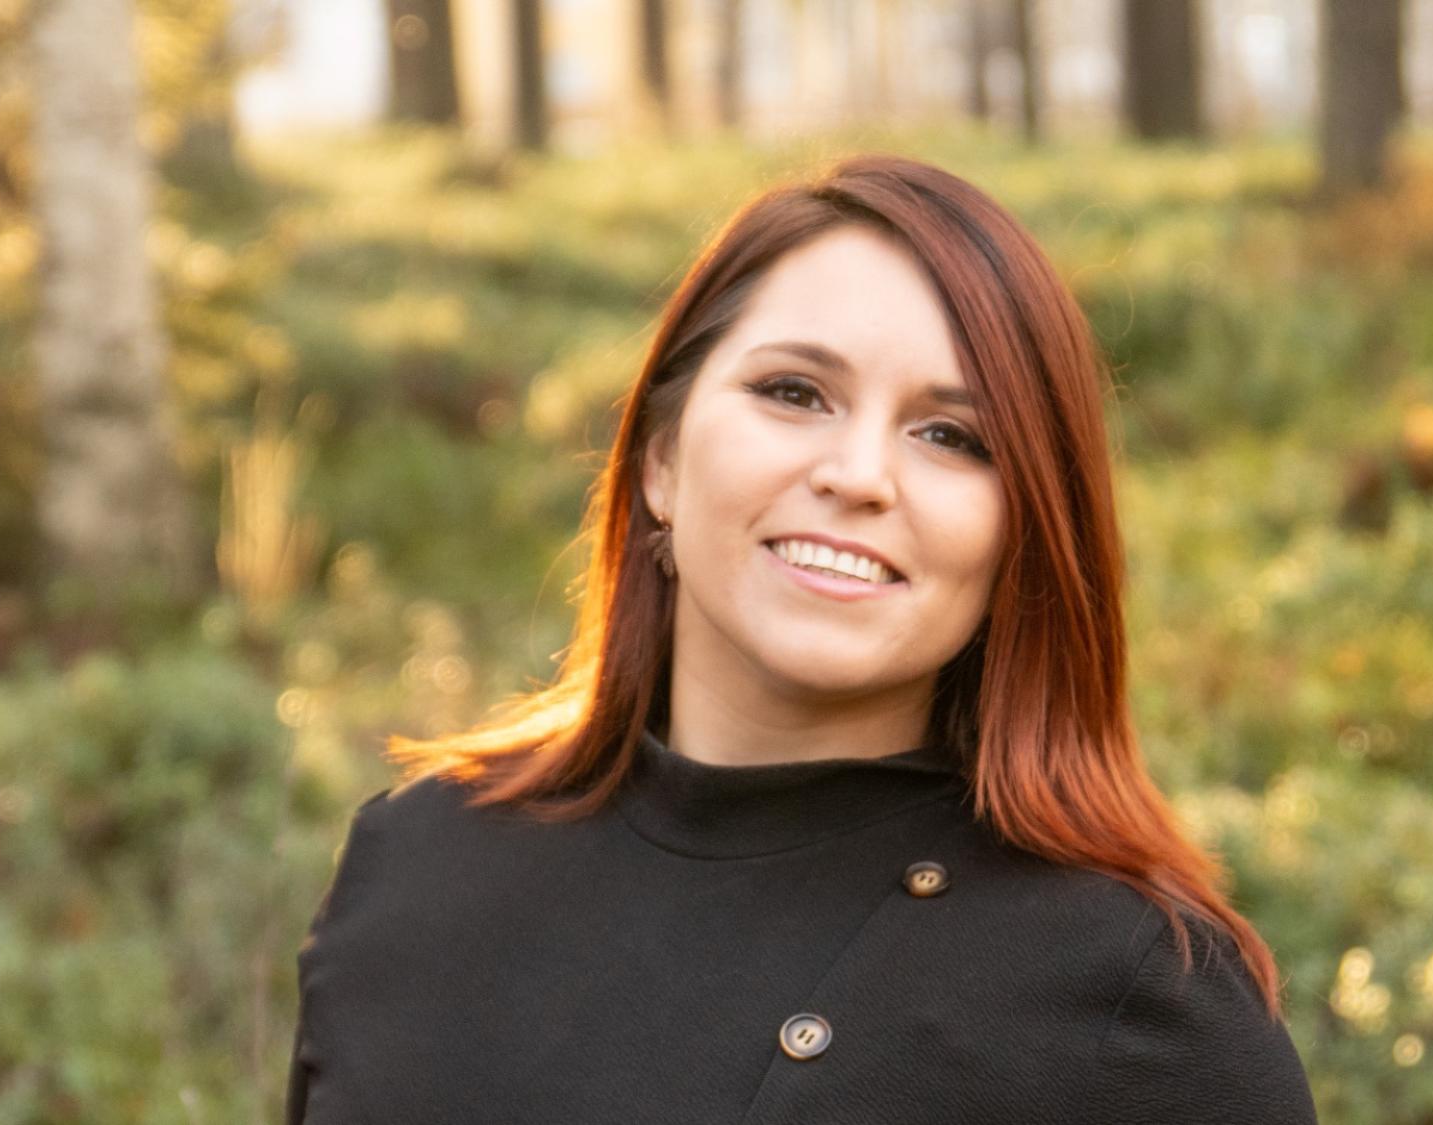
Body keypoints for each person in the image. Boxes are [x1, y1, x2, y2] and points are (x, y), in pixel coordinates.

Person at [285, 153, 1319, 1124]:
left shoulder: (1142, 1006)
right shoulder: (414, 861)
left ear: (1024, 541)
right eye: (794, 392)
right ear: (659, 462)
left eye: (951, 437)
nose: (858, 474)